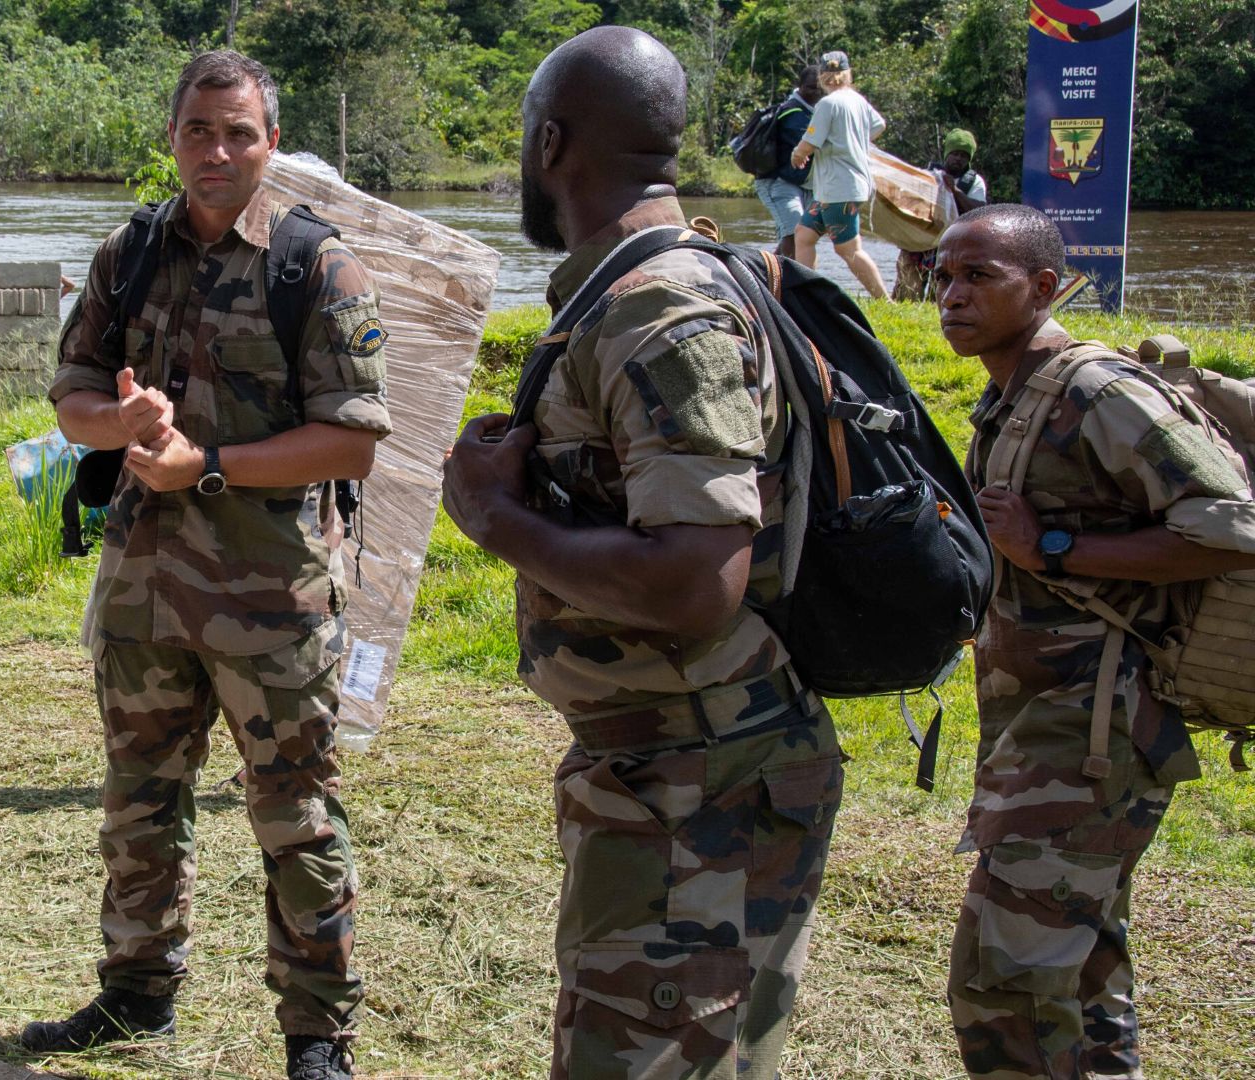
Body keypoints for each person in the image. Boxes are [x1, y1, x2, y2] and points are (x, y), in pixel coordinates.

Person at [441, 26, 842, 1080]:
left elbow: (692, 581)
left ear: (551, 143)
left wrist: (492, 516)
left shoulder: (660, 307)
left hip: (700, 783)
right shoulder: (646, 286)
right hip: (675, 765)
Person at [24, 49, 389, 1080]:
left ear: (271, 142)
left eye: (239, 132)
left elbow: (353, 443)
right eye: (199, 129)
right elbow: (73, 402)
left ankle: (318, 1037)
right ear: (173, 136)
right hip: (144, 583)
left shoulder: (318, 267)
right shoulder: (128, 255)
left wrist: (208, 466)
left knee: (295, 815)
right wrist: (122, 421)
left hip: (270, 598)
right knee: (139, 801)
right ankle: (136, 994)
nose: (217, 150)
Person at [936, 203, 1255, 1078]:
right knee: (1082, 972)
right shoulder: (1013, 394)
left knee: (1005, 987)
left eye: (977, 278)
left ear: (1043, 288)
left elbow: (1232, 526)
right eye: (942, 276)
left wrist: (1058, 547)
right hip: (1046, 727)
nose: (950, 296)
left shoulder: (1098, 392)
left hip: (1097, 735)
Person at [790, 50, 889, 299]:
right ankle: (807, 295)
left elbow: (809, 142)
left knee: (849, 249)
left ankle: (885, 301)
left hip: (840, 187)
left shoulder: (828, 104)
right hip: (836, 188)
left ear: (822, 76)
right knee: (804, 235)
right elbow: (879, 126)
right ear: (847, 75)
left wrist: (797, 156)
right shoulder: (857, 101)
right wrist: (853, 140)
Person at [894, 128, 989, 302]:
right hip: (920, 240)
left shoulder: (974, 182)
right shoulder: (929, 175)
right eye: (955, 154)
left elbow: (979, 212)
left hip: (952, 243)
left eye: (963, 156)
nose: (958, 159)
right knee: (908, 287)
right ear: (946, 154)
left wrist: (955, 190)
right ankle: (905, 306)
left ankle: (935, 309)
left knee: (940, 288)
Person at [753, 65, 822, 260]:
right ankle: (793, 285)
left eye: (819, 88)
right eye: (810, 87)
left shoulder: (815, 112)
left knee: (798, 235)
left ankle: (768, 278)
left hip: (800, 183)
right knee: (794, 234)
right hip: (777, 182)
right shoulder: (793, 114)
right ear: (799, 86)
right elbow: (811, 145)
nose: (815, 92)